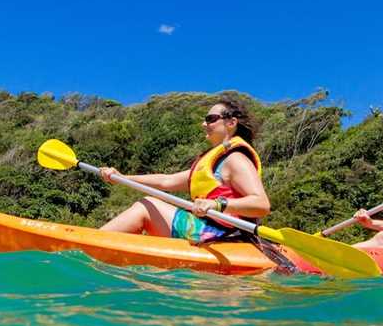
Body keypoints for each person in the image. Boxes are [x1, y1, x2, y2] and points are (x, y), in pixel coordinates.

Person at [97, 98, 271, 243]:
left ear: (231, 123)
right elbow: (166, 181)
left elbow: (261, 205)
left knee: (146, 206)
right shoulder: (213, 163)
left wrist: (217, 204)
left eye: (211, 119)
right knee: (148, 203)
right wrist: (122, 177)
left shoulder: (236, 159)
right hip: (208, 230)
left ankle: (88, 247)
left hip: (225, 236)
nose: (204, 124)